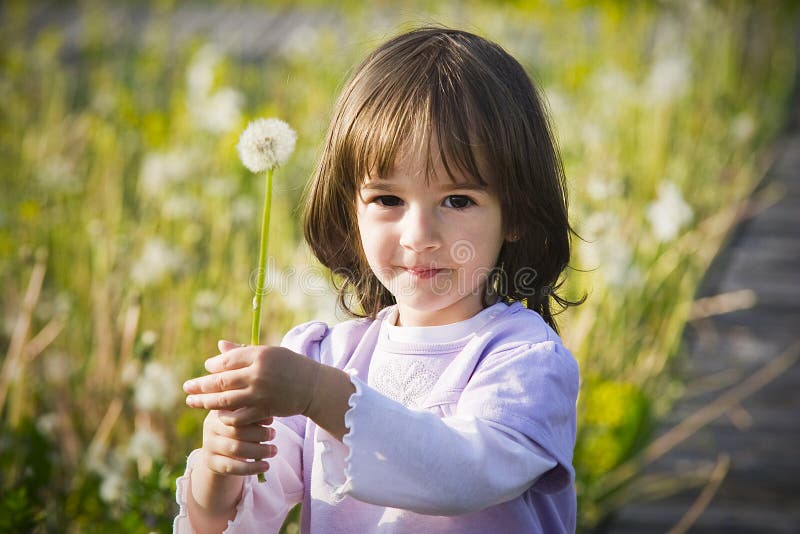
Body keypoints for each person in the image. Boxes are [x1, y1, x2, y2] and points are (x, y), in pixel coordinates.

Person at [174, 26, 582, 534]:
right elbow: (232, 520)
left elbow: (462, 474)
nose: (420, 235)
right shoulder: (323, 356)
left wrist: (318, 395)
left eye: (458, 200)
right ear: (352, 209)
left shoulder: (524, 362)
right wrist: (219, 468)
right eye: (388, 199)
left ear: (516, 211)